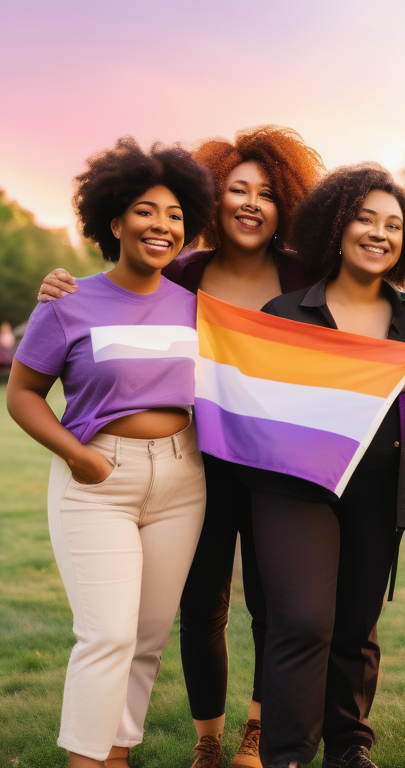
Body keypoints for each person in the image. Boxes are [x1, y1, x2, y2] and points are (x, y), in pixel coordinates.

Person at [38, 126, 326, 768]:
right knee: (188, 612)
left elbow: (366, 295)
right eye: (236, 190)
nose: (251, 203)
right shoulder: (185, 276)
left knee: (265, 605)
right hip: (191, 463)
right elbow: (110, 301)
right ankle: (201, 738)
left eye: (268, 192)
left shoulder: (305, 275)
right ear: (215, 203)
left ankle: (252, 731)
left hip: (273, 463)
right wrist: (64, 286)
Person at [7, 137, 215, 768]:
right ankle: (87, 761)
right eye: (147, 210)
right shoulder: (68, 301)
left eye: (176, 214)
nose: (163, 225)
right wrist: (78, 455)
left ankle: (118, 751)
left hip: (183, 479)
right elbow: (23, 394)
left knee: (148, 637)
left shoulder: (197, 309)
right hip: (99, 477)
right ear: (115, 220)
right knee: (107, 634)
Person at [237, 163, 405, 768]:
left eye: (393, 225)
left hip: (379, 487)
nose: (379, 233)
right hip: (295, 488)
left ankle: (349, 746)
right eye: (365, 219)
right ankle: (288, 754)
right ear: (334, 228)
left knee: (355, 623)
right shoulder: (286, 312)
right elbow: (257, 403)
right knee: (301, 620)